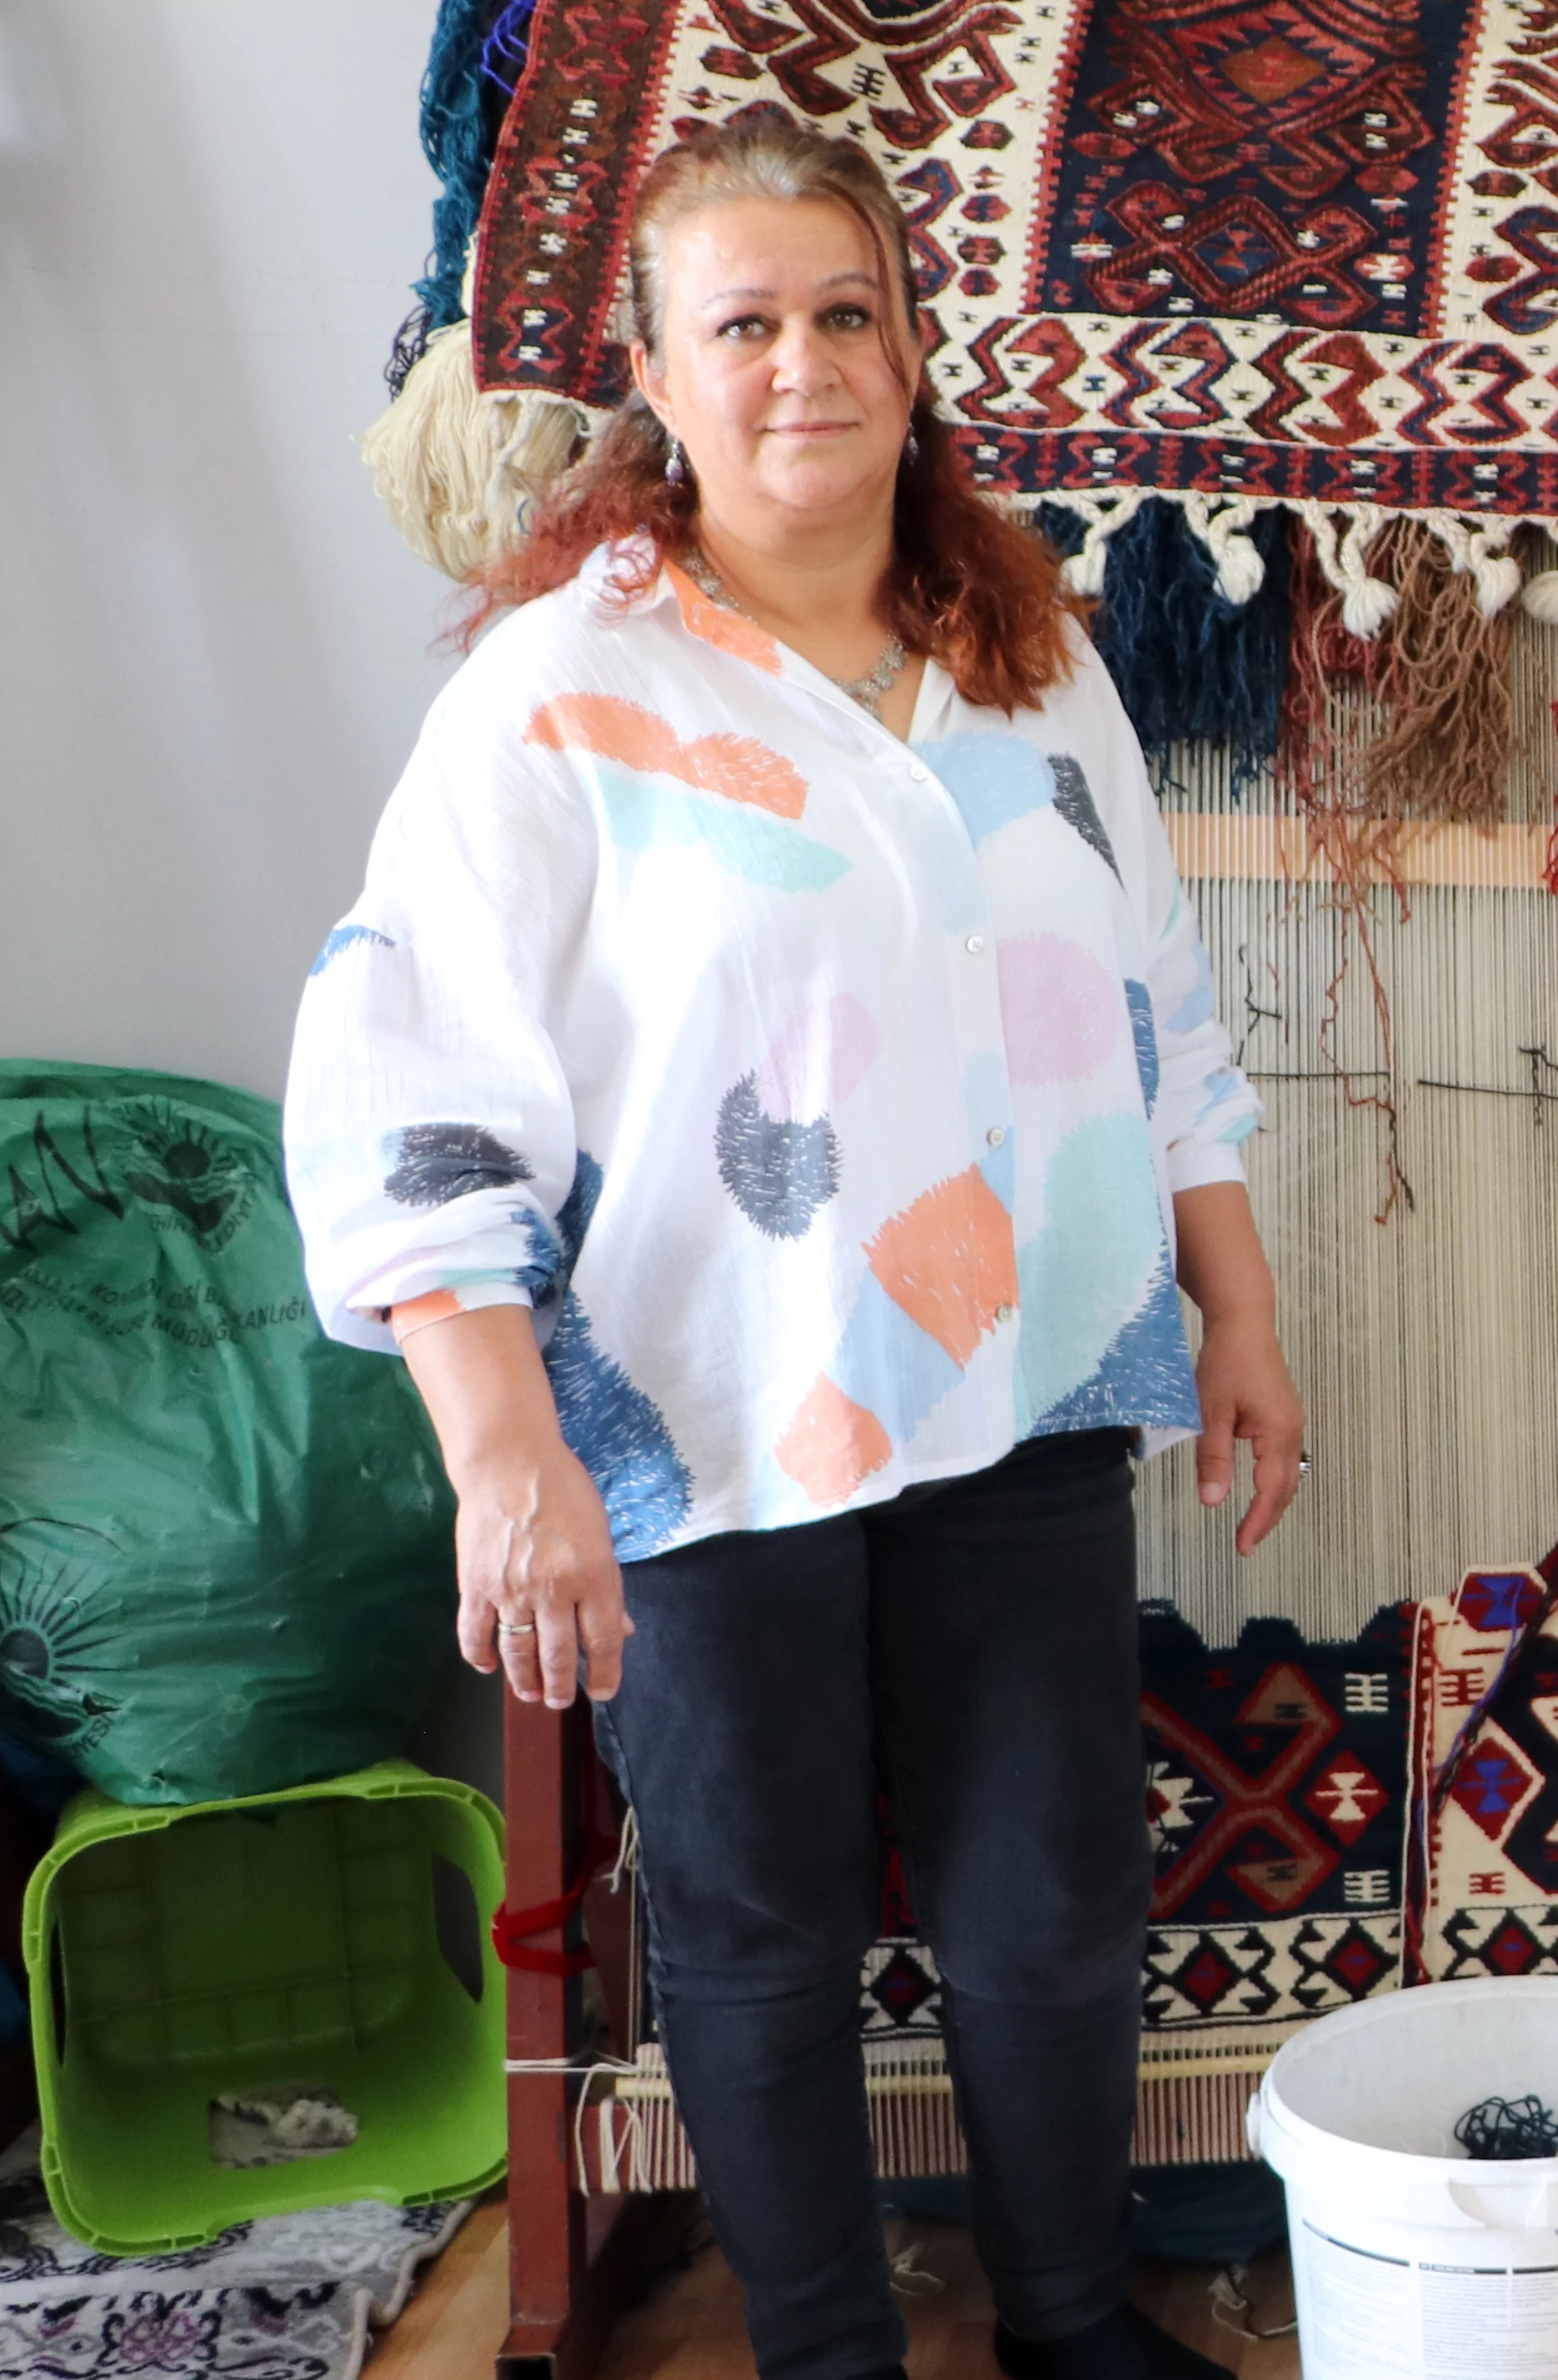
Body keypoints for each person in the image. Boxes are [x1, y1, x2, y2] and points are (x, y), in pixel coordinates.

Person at [286, 108, 1300, 2380]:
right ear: (653, 367)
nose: (801, 364)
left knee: (1049, 1910)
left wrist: (1231, 1303)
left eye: (846, 313)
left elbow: (1156, 1009)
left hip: (1025, 1375)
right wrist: (502, 1448)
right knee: (758, 1929)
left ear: (916, 348)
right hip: (705, 1410)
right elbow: (408, 1087)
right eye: (742, 322)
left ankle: (1065, 2314)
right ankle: (827, 2355)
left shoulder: (1035, 665)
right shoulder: (554, 697)